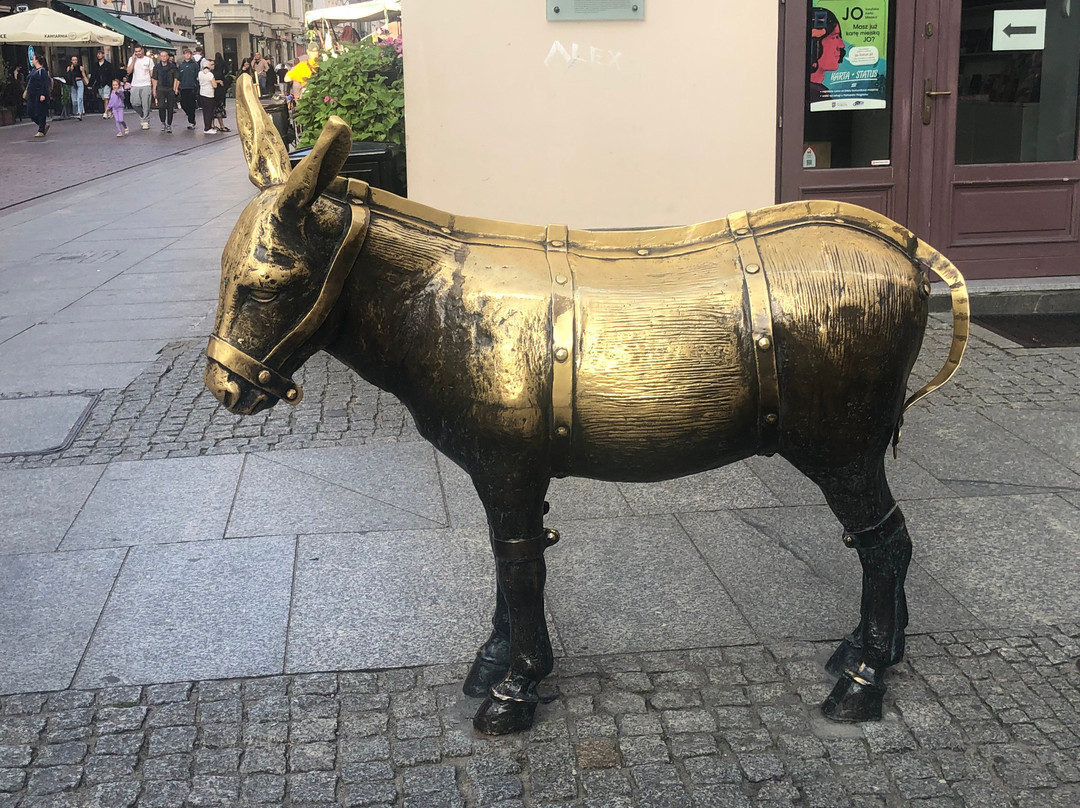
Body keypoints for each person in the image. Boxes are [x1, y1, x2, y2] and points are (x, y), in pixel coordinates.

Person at [808, 7, 846, 106]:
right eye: (835, 37)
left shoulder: (818, 93)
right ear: (814, 45)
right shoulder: (814, 95)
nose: (841, 45)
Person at [126, 45, 154, 130]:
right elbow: (128, 71)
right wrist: (133, 60)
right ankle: (142, 115)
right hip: (135, 84)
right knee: (134, 103)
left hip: (146, 84)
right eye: (136, 51)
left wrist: (153, 86)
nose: (138, 53)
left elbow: (151, 73)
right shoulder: (132, 59)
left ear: (142, 51)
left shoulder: (148, 60)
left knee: (146, 104)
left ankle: (146, 121)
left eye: (139, 51)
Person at [151, 49, 179, 133]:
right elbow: (154, 79)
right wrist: (154, 90)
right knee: (161, 106)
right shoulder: (157, 67)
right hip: (160, 88)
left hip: (170, 88)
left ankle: (169, 124)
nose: (163, 58)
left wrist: (175, 88)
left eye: (165, 56)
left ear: (167, 57)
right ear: (160, 57)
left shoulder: (172, 67)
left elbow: (176, 78)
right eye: (162, 56)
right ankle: (163, 122)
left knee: (170, 107)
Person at [25, 55, 51, 138]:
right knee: (30, 111)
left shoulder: (42, 71)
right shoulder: (33, 70)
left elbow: (45, 83)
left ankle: (41, 130)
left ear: (37, 61)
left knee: (40, 111)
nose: (32, 60)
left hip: (39, 94)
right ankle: (43, 125)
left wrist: (43, 94)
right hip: (31, 94)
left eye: (33, 59)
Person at [176, 47, 200, 129]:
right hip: (183, 87)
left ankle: (192, 121)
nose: (187, 55)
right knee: (183, 104)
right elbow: (178, 77)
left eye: (189, 54)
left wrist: (197, 85)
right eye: (186, 54)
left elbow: (197, 76)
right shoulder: (181, 65)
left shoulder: (194, 65)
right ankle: (189, 114)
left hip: (192, 87)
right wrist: (176, 87)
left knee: (191, 105)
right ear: (184, 55)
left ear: (191, 55)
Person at [198, 56, 221, 134]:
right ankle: (208, 128)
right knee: (209, 112)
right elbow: (214, 85)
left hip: (202, 93)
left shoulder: (200, 73)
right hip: (209, 94)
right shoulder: (210, 74)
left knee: (205, 112)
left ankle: (207, 127)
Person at [89, 50, 114, 117]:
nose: (98, 55)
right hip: (99, 84)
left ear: (103, 55)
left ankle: (105, 112)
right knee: (105, 98)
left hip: (107, 84)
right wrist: (90, 84)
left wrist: (112, 83)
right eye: (97, 54)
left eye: (99, 54)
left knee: (106, 98)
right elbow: (93, 75)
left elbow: (112, 75)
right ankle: (110, 110)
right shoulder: (95, 65)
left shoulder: (108, 65)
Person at [65, 56, 90, 121]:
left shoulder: (80, 68)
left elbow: (84, 76)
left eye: (76, 60)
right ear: (71, 61)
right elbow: (67, 77)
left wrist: (89, 84)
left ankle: (80, 112)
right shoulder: (69, 68)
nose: (75, 61)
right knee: (74, 100)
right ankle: (76, 112)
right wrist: (71, 70)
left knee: (80, 98)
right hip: (73, 84)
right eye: (73, 60)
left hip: (79, 82)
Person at [212, 52, 229, 132]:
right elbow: (227, 70)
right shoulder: (223, 64)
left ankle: (212, 124)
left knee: (214, 107)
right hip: (220, 87)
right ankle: (221, 125)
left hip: (214, 90)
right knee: (219, 106)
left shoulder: (214, 68)